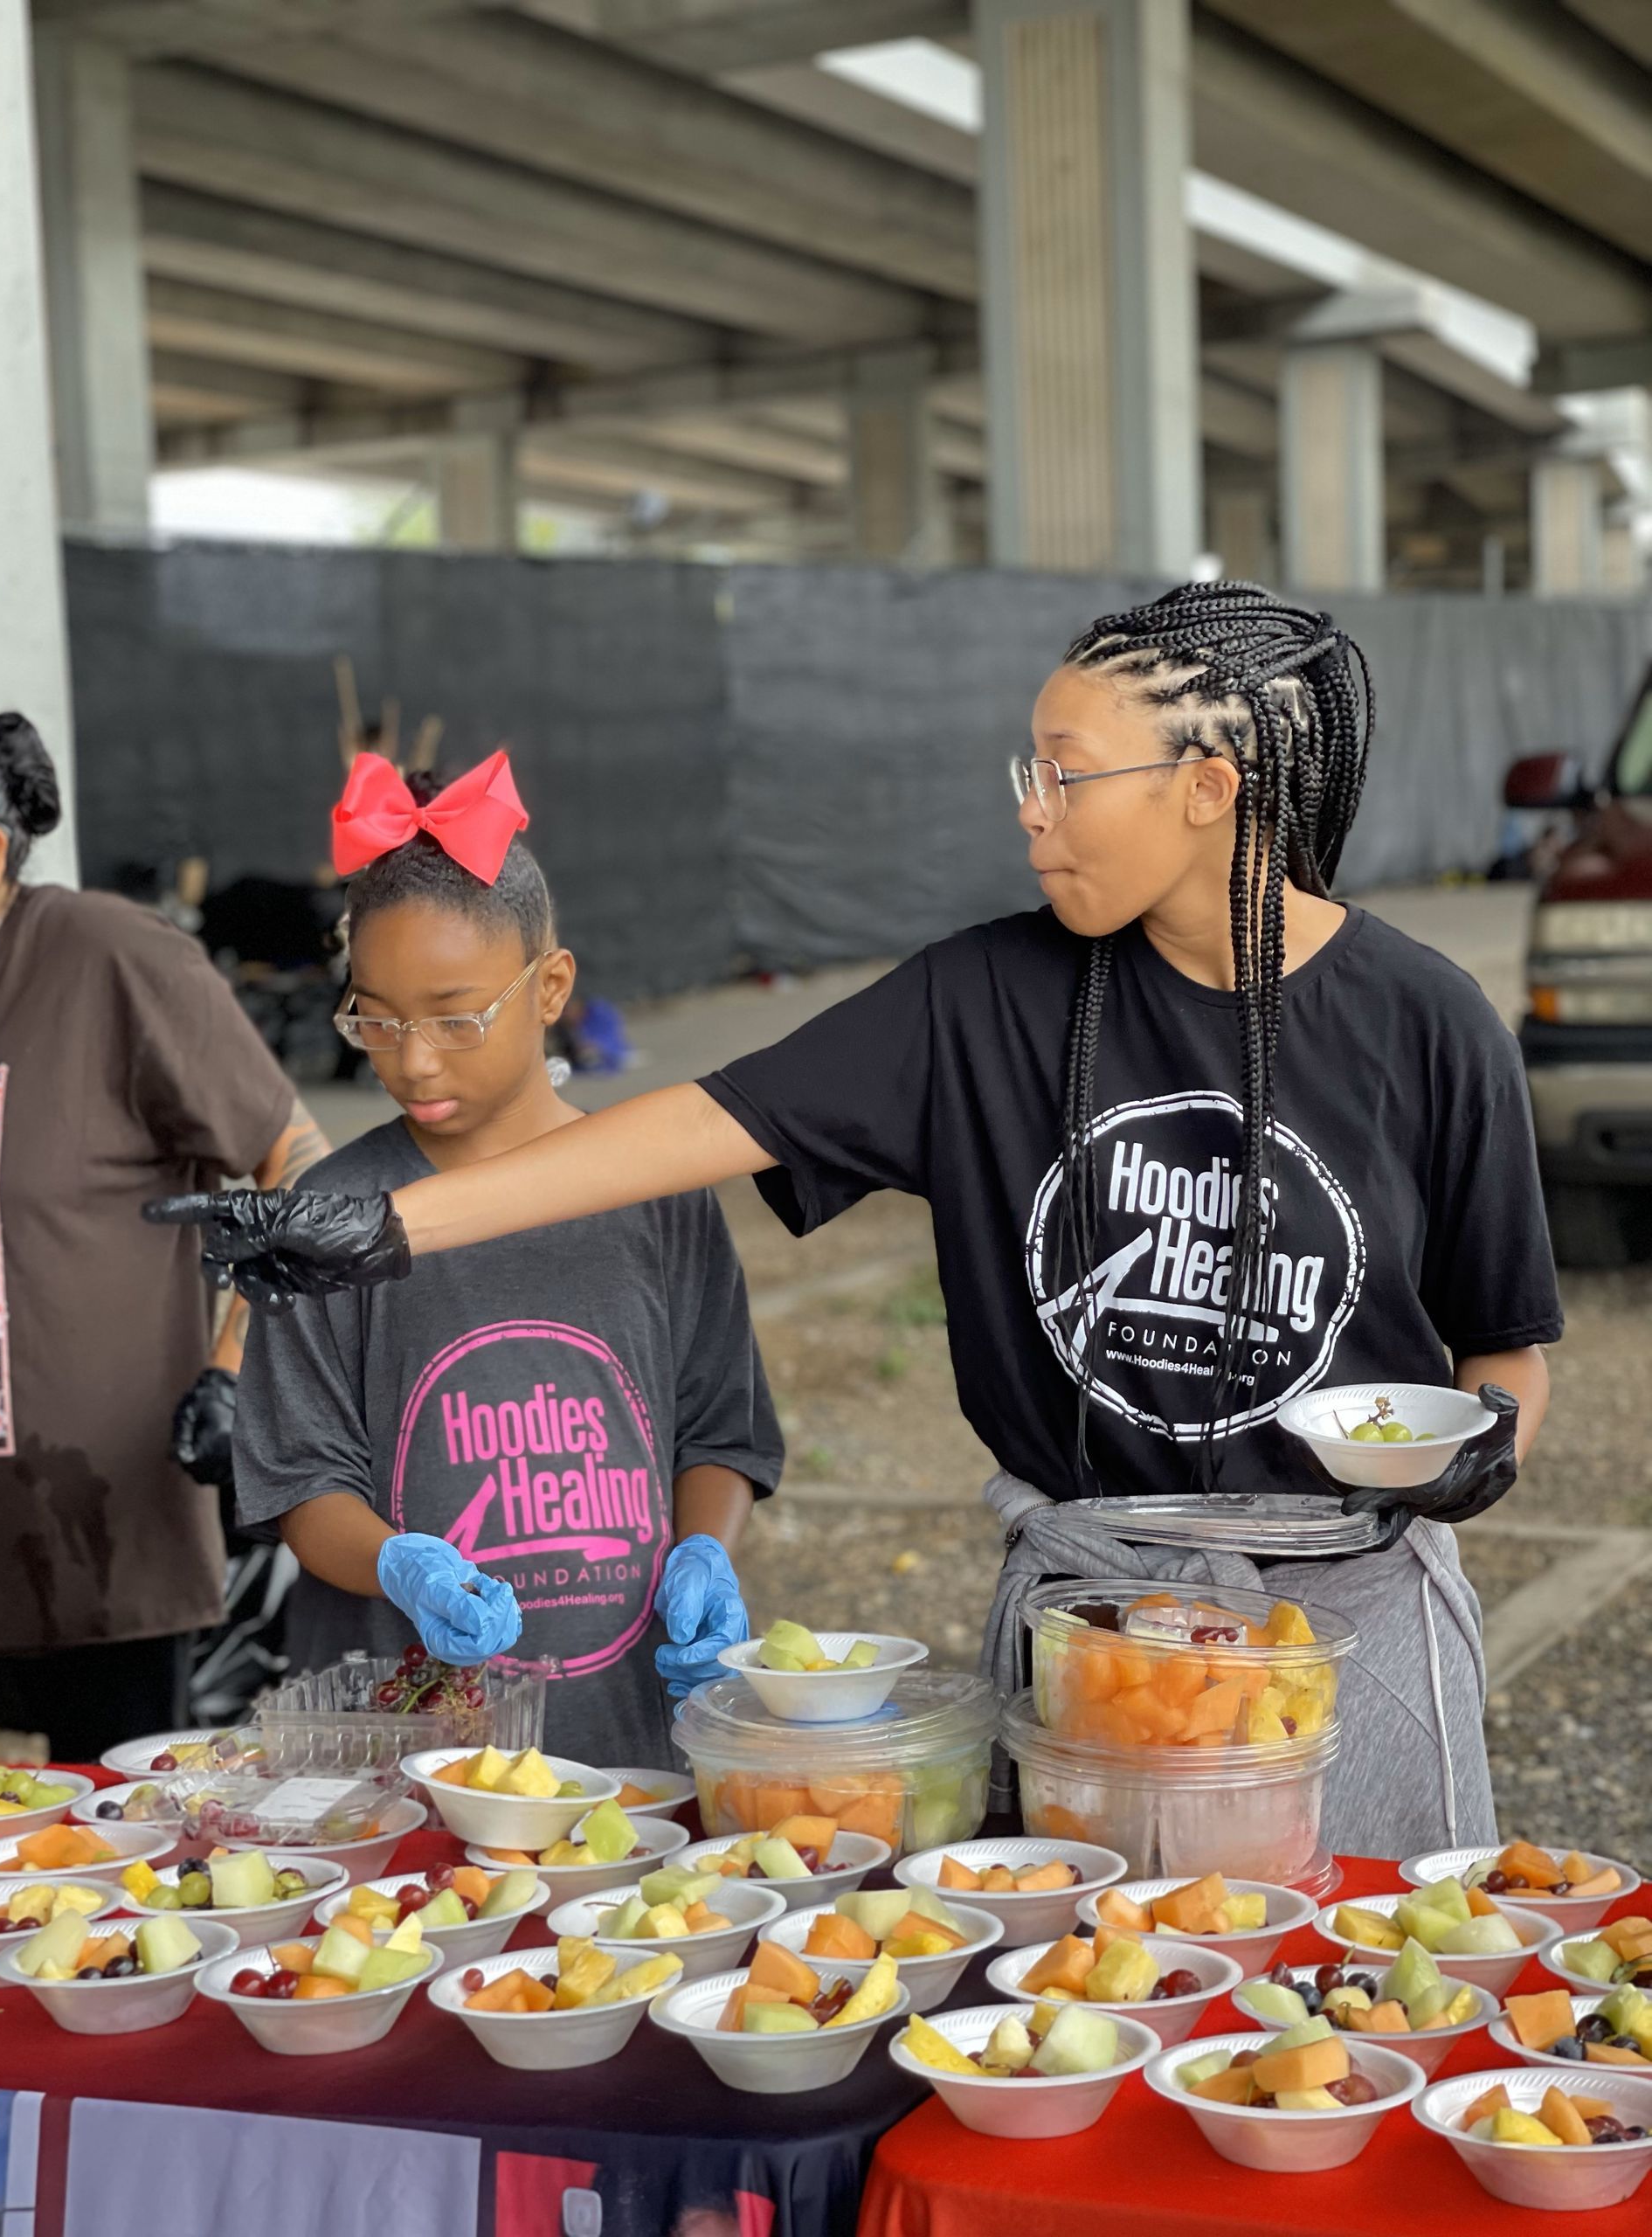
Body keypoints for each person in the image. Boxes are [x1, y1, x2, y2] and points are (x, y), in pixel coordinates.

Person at [152, 585, 1560, 1853]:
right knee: (1120, 1987)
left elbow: (1506, 1355)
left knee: (1350, 1979)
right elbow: (698, 1122)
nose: (1031, 809)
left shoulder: (1426, 1022)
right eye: (1031, 773)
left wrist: (1482, 1455)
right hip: (1101, 1624)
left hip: (1344, 1626)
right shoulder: (984, 1002)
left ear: (1208, 786)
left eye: (1066, 777)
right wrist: (389, 1229)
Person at [227, 750, 783, 1766]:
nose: (414, 1058)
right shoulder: (334, 1214)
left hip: (631, 1743)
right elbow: (301, 1486)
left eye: (455, 1015)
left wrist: (704, 1548)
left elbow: (718, 1431)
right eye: (377, 1017)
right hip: (410, 1760)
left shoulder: (651, 1188)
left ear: (551, 987)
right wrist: (399, 1565)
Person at [0, 713, 328, 1760]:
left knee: (106, 1879)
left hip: (100, 1548)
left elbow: (298, 1164)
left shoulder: (107, 960)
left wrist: (234, 1370)